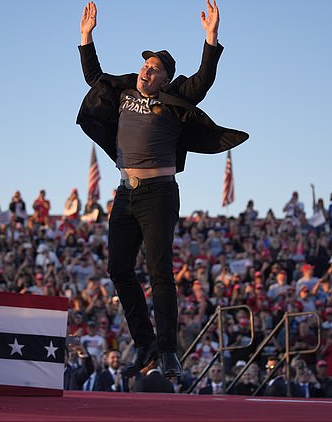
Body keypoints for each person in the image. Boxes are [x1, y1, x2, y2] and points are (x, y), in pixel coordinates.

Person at [77, 0, 248, 378]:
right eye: (145, 64)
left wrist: (211, 37)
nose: (145, 69)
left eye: (154, 68)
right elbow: (95, 78)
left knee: (159, 271)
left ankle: (169, 350)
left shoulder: (175, 100)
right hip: (125, 193)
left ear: (165, 78)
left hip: (159, 193)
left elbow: (203, 79)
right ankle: (145, 343)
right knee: (119, 268)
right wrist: (87, 37)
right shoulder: (122, 93)